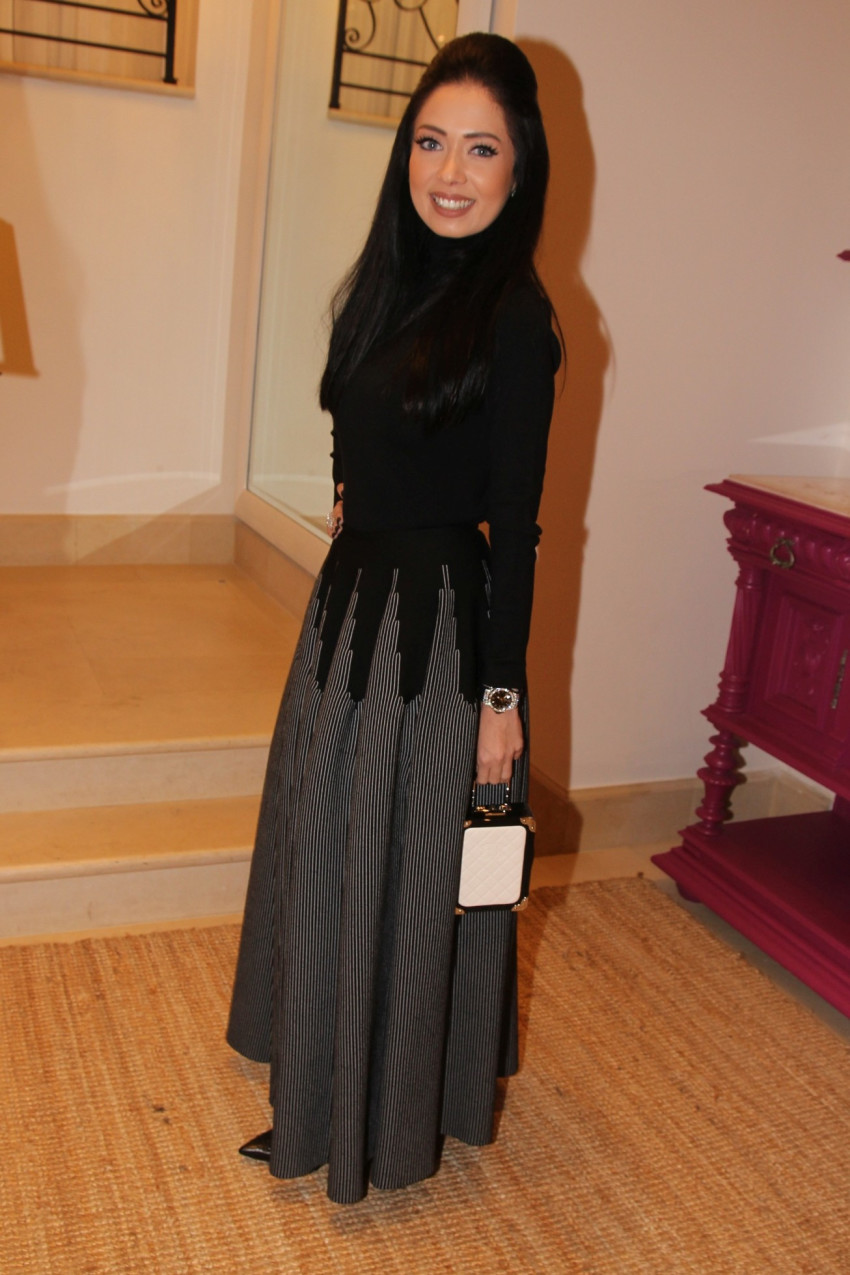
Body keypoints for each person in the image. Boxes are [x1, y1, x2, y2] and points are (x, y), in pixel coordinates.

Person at [226, 31, 562, 1205]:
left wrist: (501, 701)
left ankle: (380, 1111)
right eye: (430, 142)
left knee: (411, 876)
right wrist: (346, 488)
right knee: (326, 851)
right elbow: (349, 417)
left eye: (481, 149)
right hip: (352, 610)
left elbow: (520, 524)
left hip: (439, 637)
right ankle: (320, 1079)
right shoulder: (383, 282)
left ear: (520, 168)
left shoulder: (515, 318)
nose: (449, 172)